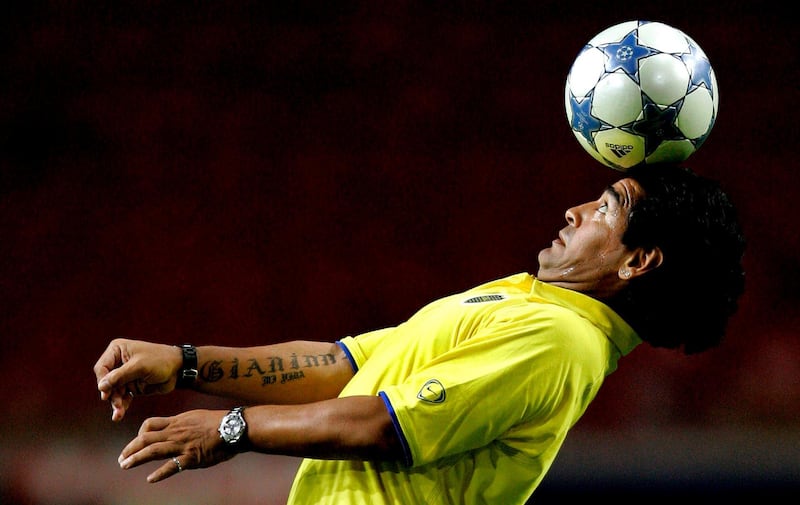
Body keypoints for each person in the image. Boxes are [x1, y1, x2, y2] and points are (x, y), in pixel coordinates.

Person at [94, 163, 746, 504]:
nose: (574, 211)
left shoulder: (558, 340)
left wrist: (231, 428)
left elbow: (385, 424)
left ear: (638, 261)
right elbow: (344, 365)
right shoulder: (528, 301)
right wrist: (183, 364)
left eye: (603, 209)